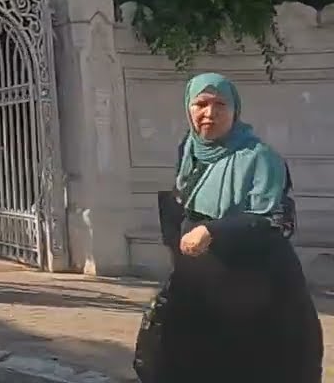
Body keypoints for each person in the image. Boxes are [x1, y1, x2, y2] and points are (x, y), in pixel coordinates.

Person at [133, 73, 323, 383]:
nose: (210, 113)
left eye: (221, 104)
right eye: (201, 104)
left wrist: (214, 230)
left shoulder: (261, 158)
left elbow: (272, 219)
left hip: (256, 291)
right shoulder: (190, 151)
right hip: (199, 293)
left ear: (235, 110)